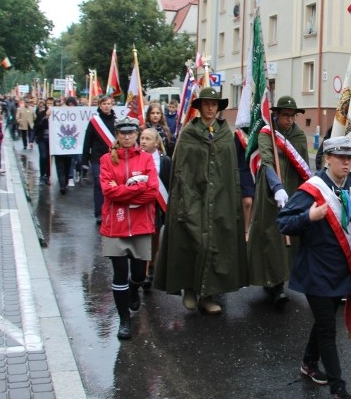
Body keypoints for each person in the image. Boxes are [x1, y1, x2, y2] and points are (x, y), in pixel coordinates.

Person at [276, 136, 351, 399]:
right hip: (316, 272)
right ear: (326, 159)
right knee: (328, 328)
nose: (346, 162)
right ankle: (339, 389)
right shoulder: (312, 190)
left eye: (349, 157)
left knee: (325, 320)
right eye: (340, 157)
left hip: (342, 270)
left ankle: (309, 362)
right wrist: (309, 217)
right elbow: (283, 223)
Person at [154, 88, 247, 314]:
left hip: (221, 199)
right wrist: (185, 199)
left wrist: (232, 200)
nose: (210, 108)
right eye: (206, 104)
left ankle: (208, 295)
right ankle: (189, 288)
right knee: (194, 241)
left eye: (214, 104)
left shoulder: (226, 134)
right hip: (193, 197)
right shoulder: (189, 134)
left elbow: (231, 171)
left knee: (216, 245)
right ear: (199, 106)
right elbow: (180, 171)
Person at [99, 116, 159, 340]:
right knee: (119, 275)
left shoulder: (146, 159)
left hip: (141, 225)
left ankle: (135, 289)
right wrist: (135, 189)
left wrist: (123, 190)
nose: (126, 136)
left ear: (136, 134)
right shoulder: (107, 160)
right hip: (115, 225)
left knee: (137, 275)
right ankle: (124, 320)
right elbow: (108, 191)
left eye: (131, 133)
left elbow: (152, 191)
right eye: (122, 133)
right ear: (117, 134)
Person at [248, 95, 311, 308]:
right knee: (271, 237)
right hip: (271, 193)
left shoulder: (299, 135)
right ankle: (274, 285)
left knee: (290, 240)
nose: (290, 119)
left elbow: (305, 168)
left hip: (293, 193)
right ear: (276, 114)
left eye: (293, 115)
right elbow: (266, 161)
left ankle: (282, 278)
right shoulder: (267, 134)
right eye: (285, 115)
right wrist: (276, 187)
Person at [138, 127, 171, 291]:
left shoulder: (165, 161)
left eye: (148, 138)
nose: (143, 141)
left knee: (154, 237)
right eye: (142, 138)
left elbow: (169, 184)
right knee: (142, 238)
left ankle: (150, 265)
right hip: (139, 205)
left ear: (157, 143)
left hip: (157, 206)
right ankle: (142, 271)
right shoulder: (135, 158)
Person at [82, 95, 117, 224]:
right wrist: (84, 161)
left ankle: (111, 210)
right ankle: (99, 212)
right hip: (98, 158)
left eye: (109, 103)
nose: (107, 106)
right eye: (104, 104)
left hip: (113, 158)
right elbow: (87, 142)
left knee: (113, 185)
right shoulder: (94, 122)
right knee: (99, 184)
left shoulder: (116, 121)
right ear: (100, 106)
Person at [234, 126, 256, 240]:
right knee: (247, 202)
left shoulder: (262, 130)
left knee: (255, 202)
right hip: (244, 170)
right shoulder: (239, 134)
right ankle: (245, 230)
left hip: (257, 169)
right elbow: (235, 157)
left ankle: (251, 229)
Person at [33, 98, 53, 185]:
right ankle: (42, 175)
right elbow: (37, 125)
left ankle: (48, 176)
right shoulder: (41, 114)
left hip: (51, 140)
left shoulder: (57, 114)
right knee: (43, 156)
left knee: (49, 158)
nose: (49, 105)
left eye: (51, 103)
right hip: (42, 138)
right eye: (48, 103)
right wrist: (46, 118)